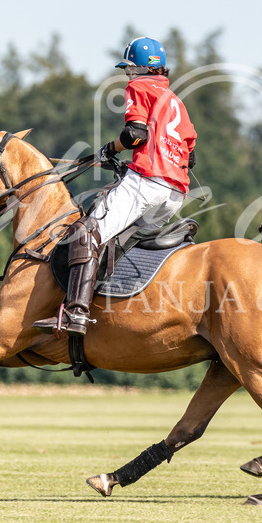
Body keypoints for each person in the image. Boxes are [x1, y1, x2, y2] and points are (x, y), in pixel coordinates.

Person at [34, 36, 197, 336]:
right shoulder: (176, 101)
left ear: (137, 68)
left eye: (129, 69)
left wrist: (111, 148)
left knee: (87, 234)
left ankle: (76, 313)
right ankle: (111, 307)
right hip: (175, 194)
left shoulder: (138, 87)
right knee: (117, 243)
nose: (128, 75)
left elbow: (135, 134)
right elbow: (191, 156)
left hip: (146, 184)